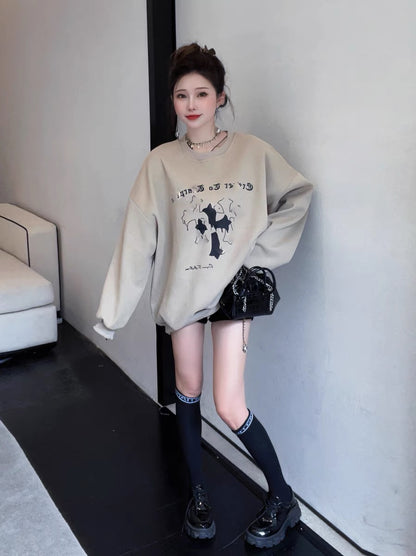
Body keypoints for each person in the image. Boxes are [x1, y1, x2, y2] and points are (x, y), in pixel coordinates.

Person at [94, 43, 313, 549]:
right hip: (184, 293)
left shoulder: (252, 152)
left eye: (201, 93)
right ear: (173, 101)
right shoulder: (160, 164)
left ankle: (282, 498)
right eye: (181, 95)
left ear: (220, 98)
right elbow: (136, 240)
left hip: (233, 295)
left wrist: (257, 256)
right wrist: (113, 312)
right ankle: (198, 494)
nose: (191, 104)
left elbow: (298, 195)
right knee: (187, 390)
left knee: (229, 404)